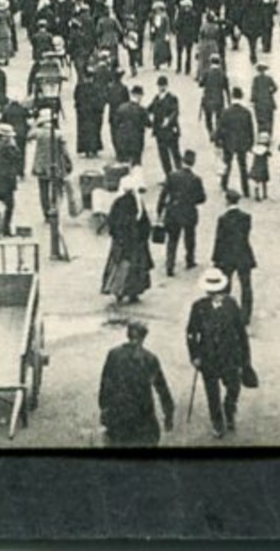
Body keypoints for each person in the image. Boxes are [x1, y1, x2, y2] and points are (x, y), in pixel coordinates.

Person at [187, 268, 253, 438]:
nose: (216, 293)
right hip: (207, 356)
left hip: (230, 355)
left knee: (233, 387)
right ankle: (217, 422)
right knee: (212, 392)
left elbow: (241, 333)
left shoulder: (231, 305)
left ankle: (229, 409)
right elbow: (191, 333)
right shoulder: (199, 307)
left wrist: (245, 359)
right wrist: (194, 356)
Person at [98, 320, 175, 447]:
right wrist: (169, 414)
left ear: (128, 335)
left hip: (118, 414)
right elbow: (162, 389)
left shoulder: (113, 354)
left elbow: (105, 384)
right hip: (143, 415)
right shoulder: (150, 359)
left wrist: (104, 408)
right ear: (144, 337)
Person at [101, 176, 154, 305]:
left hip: (121, 241)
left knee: (120, 266)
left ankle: (118, 291)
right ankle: (133, 292)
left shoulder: (118, 202)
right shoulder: (138, 202)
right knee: (136, 268)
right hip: (136, 242)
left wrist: (115, 235)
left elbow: (112, 222)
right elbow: (145, 224)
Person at [155, 149, 206, 276]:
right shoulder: (196, 179)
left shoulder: (172, 176)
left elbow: (163, 195)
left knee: (172, 239)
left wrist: (160, 210)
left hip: (173, 211)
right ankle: (190, 260)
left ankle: (170, 265)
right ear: (193, 162)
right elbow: (201, 198)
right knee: (190, 238)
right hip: (189, 212)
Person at [212, 188, 257, 324]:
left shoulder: (223, 219)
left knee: (225, 285)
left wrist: (216, 258)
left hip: (227, 255)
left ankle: (225, 312)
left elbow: (219, 239)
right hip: (243, 253)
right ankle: (246, 315)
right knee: (246, 285)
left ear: (227, 201)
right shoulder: (246, 217)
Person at [30, 108, 73, 220]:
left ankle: (46, 213)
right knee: (57, 189)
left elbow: (29, 135)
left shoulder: (38, 133)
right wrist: (69, 162)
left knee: (43, 191)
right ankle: (55, 209)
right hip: (56, 165)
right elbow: (65, 151)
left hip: (40, 166)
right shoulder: (58, 134)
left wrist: (36, 124)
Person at [216, 87, 256, 199]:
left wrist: (218, 141)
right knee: (243, 166)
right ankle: (246, 189)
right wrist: (250, 144)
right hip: (242, 143)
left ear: (233, 97)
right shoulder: (246, 113)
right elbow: (250, 130)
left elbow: (220, 127)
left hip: (228, 142)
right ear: (241, 97)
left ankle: (224, 184)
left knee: (227, 164)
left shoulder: (226, 112)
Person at [148, 75, 182, 176]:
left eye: (163, 86)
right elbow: (149, 109)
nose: (161, 88)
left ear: (167, 86)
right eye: (160, 86)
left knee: (175, 153)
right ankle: (169, 176)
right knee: (163, 155)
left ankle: (179, 174)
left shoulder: (172, 98)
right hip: (159, 131)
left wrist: (169, 120)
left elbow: (175, 112)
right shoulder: (156, 98)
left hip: (171, 131)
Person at [110, 84, 150, 168]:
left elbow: (115, 123)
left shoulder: (121, 107)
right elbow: (148, 123)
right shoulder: (141, 110)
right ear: (139, 96)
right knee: (136, 165)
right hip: (137, 141)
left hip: (123, 140)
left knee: (123, 164)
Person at [73, 69, 106, 159]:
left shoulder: (80, 87)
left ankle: (86, 149)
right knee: (94, 131)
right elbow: (101, 99)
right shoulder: (96, 87)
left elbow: (76, 98)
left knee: (84, 132)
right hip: (93, 113)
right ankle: (94, 149)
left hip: (83, 114)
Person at [198, 53, 229, 140]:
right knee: (218, 118)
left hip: (208, 99)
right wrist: (229, 101)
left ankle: (211, 132)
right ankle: (217, 134)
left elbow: (200, 84)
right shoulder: (222, 73)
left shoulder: (207, 72)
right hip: (219, 99)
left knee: (208, 118)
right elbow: (226, 88)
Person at [250, 61, 278, 139]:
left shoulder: (256, 79)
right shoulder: (269, 78)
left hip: (259, 102)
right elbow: (275, 87)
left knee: (260, 118)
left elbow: (253, 90)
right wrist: (270, 92)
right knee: (269, 118)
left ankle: (261, 133)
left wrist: (253, 100)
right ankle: (269, 133)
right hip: (268, 102)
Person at [173, 0, 199, 75]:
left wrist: (176, 29)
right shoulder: (194, 14)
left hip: (181, 35)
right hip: (188, 35)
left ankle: (179, 68)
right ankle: (187, 69)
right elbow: (196, 26)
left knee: (181, 53)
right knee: (187, 53)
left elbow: (177, 24)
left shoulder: (180, 14)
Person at [147, 1, 173, 72]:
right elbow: (153, 25)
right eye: (156, 9)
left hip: (163, 34)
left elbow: (167, 26)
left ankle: (168, 60)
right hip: (157, 35)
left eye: (158, 9)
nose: (157, 10)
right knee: (156, 50)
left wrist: (167, 34)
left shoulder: (165, 17)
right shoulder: (154, 17)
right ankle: (156, 64)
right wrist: (152, 30)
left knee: (165, 49)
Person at [249, 135, 272, 201]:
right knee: (264, 181)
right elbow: (270, 154)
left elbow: (251, 151)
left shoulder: (255, 148)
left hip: (256, 166)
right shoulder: (265, 150)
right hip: (263, 167)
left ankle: (257, 194)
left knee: (256, 182)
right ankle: (264, 194)